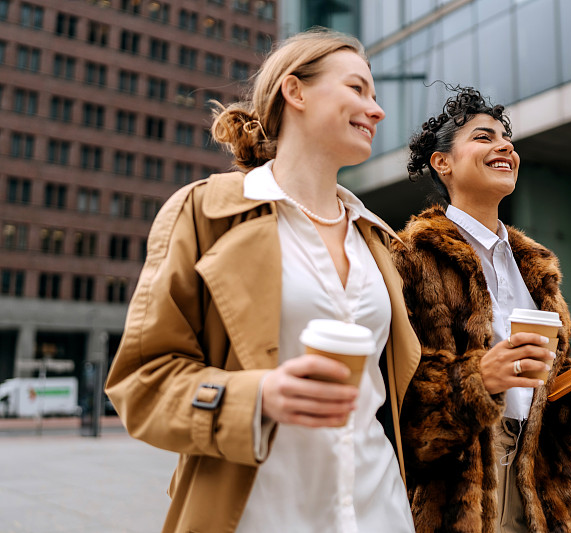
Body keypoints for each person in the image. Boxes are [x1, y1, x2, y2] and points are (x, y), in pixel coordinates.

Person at [105, 29, 420, 533]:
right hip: (261, 515)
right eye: (357, 89)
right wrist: (258, 397)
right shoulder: (204, 212)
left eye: (376, 95)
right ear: (295, 91)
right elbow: (142, 384)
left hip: (379, 513)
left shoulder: (379, 242)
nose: (377, 110)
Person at [392, 87, 571, 533]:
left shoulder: (537, 270)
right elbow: (396, 408)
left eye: (507, 139)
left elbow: (561, 438)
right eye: (483, 137)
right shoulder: (409, 258)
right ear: (442, 163)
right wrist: (480, 380)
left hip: (543, 496)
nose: (505, 147)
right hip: (452, 499)